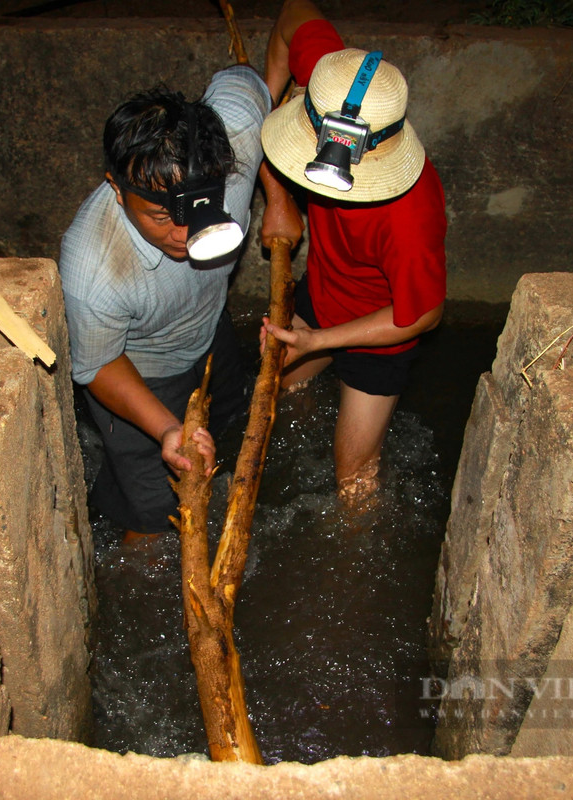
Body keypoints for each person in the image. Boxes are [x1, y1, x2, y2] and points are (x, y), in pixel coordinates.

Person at [59, 64, 283, 543]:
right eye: (162, 216)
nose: (185, 236)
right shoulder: (94, 265)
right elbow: (96, 365)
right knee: (156, 512)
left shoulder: (238, 132)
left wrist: (278, 195)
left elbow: (254, 83)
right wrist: (165, 428)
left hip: (209, 329)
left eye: (200, 208)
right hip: (142, 372)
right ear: (118, 190)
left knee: (226, 427)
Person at [259, 0, 448, 505]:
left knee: (353, 481)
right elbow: (293, 12)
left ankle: (349, 558)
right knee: (277, 400)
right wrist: (278, 196)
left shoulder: (409, 215)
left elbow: (424, 314)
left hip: (381, 328)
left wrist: (319, 341)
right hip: (323, 289)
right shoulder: (334, 80)